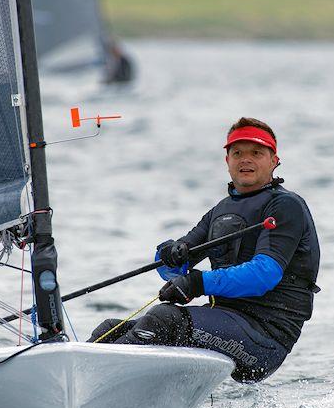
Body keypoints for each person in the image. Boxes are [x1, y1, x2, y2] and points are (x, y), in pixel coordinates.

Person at [88, 117, 320, 383]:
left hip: (266, 336)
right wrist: (169, 253)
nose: (246, 159)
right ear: (227, 162)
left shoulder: (286, 206)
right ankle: (76, 386)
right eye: (238, 153)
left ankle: (101, 384)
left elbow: (264, 274)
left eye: (256, 153)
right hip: (225, 321)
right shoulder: (220, 211)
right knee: (109, 329)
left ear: (274, 160)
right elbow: (173, 267)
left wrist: (198, 283)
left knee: (164, 319)